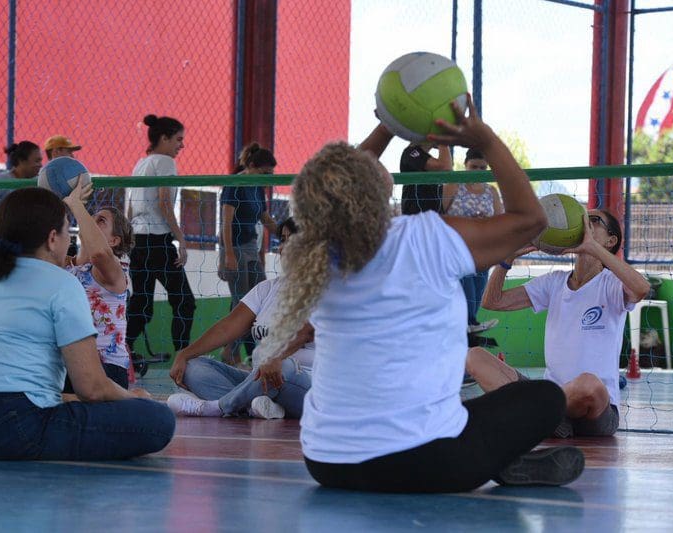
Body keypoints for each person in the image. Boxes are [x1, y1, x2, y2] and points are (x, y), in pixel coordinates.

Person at [254, 95, 584, 493]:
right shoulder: (423, 237)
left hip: (327, 462)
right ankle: (493, 460)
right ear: (370, 192)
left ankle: (496, 459)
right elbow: (531, 220)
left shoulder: (318, 254)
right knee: (546, 399)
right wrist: (486, 140)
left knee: (461, 409)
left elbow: (337, 182)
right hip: (424, 465)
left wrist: (388, 125)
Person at [0, 187, 174, 460]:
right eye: (68, 230)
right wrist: (135, 397)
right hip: (9, 423)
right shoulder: (63, 283)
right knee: (158, 419)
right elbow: (92, 388)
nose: (72, 237)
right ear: (52, 238)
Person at [466, 209, 650, 438]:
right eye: (582, 217)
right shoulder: (554, 282)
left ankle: (539, 416)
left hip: (596, 410)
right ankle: (551, 421)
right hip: (550, 396)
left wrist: (592, 248)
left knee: (588, 384)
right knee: (475, 357)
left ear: (610, 241)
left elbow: (642, 289)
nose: (584, 222)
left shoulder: (611, 284)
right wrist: (507, 258)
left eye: (593, 220)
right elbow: (493, 301)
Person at [167, 218, 312, 419]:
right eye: (283, 240)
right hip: (260, 378)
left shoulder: (329, 288)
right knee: (193, 366)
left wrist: (277, 357)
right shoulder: (267, 289)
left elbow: (306, 331)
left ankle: (218, 407)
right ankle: (255, 407)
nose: (283, 247)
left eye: (292, 239)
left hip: (304, 382)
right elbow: (227, 328)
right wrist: (184, 354)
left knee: (285, 367)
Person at [126, 114, 196, 357]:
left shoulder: (140, 164)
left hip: (137, 242)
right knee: (185, 302)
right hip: (157, 241)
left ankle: (120, 351)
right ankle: (183, 358)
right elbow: (165, 202)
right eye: (178, 139)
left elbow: (130, 208)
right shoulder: (165, 162)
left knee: (141, 304)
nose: (182, 145)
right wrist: (180, 238)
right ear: (164, 138)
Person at [62, 178, 134, 389]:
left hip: (106, 368)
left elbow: (99, 254)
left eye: (101, 221)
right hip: (68, 364)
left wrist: (76, 204)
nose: (91, 221)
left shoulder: (115, 272)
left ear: (114, 241)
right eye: (90, 217)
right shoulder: (67, 265)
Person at [218, 143, 279, 363]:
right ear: (251, 166)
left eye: (271, 175)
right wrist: (228, 254)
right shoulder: (235, 184)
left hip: (251, 248)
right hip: (235, 248)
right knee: (241, 303)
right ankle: (229, 351)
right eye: (265, 173)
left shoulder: (257, 188)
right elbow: (226, 221)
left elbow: (265, 218)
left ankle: (241, 352)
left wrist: (288, 234)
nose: (268, 179)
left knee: (262, 298)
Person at [442, 148, 504, 333]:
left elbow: (500, 221)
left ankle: (470, 324)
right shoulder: (454, 186)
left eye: (482, 168)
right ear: (465, 165)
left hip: (483, 250)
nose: (478, 171)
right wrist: (468, 222)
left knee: (478, 291)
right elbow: (440, 215)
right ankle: (467, 322)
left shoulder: (491, 191)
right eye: (474, 166)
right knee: (466, 288)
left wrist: (485, 222)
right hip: (458, 248)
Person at [400, 143, 452, 215]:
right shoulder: (410, 152)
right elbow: (445, 168)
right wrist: (442, 142)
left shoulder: (424, 156)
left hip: (430, 216)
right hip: (417, 216)